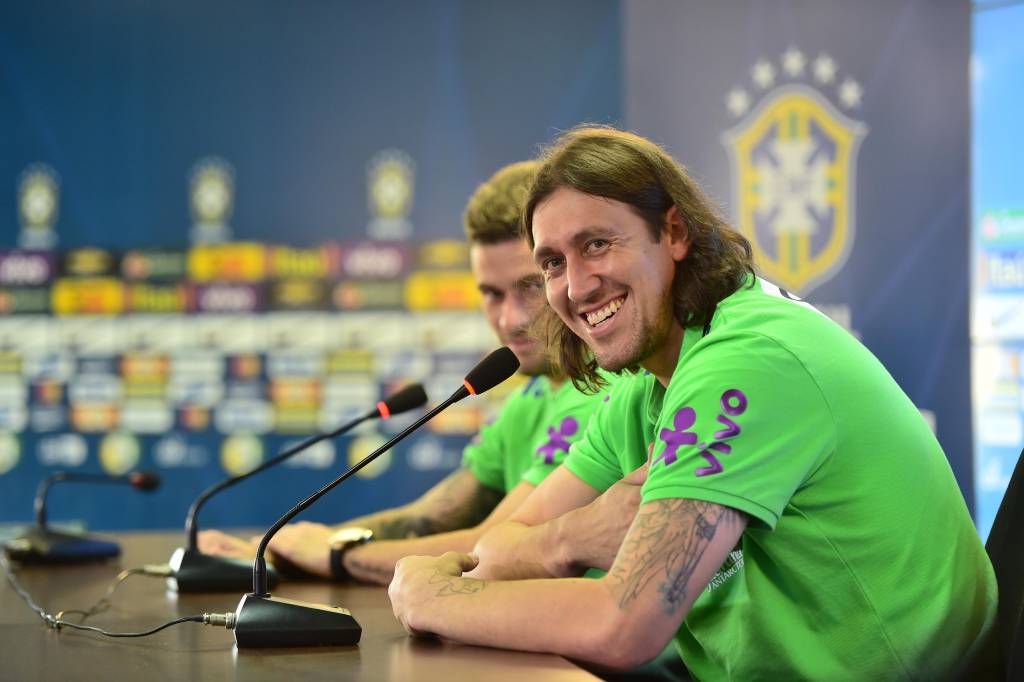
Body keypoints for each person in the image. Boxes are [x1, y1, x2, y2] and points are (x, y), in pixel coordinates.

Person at [388, 126, 998, 680]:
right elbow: (492, 552)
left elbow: (623, 624)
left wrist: (432, 598)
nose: (574, 288)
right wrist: (568, 539)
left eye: (597, 244)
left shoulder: (746, 358)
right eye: (552, 263)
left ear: (674, 233)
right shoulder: (646, 384)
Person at [199, 161, 615, 585]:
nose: (510, 320)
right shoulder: (531, 399)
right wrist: (291, 546)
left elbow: (489, 551)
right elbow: (431, 517)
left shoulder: (606, 390)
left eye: (529, 286)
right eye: (491, 294)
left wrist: (335, 555)